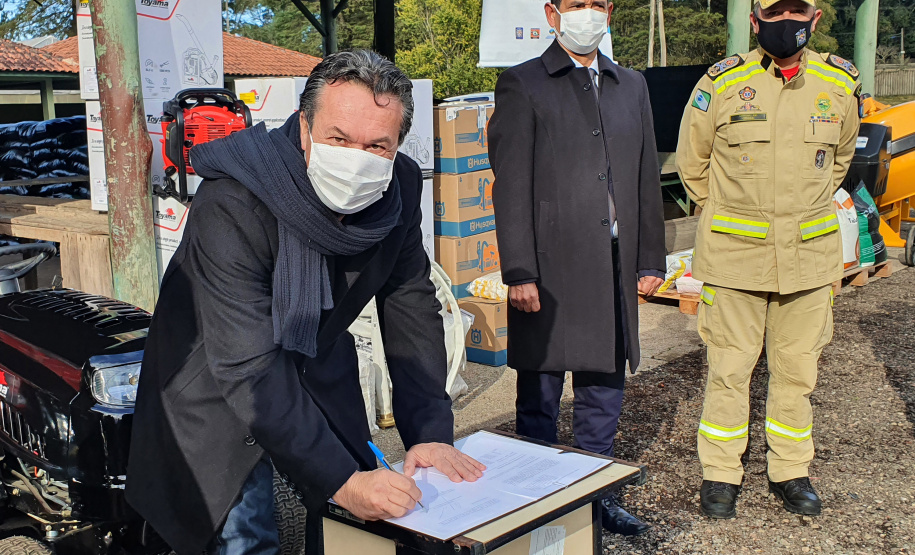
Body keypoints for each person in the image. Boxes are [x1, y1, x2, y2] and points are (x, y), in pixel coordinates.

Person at [125, 50, 485, 555]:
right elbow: (246, 366)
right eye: (338, 138)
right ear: (304, 126)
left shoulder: (399, 187)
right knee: (245, 534)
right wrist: (341, 480)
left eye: (377, 145)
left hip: (316, 360)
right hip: (217, 381)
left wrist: (428, 432)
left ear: (398, 145)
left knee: (349, 523)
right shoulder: (231, 202)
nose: (357, 158)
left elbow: (409, 302)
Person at [488, 0, 666, 537]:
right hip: (548, 267)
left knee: (603, 389)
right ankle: (534, 498)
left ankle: (595, 496)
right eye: (575, 4)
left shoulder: (630, 85)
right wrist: (519, 270)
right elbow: (510, 183)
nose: (586, 13)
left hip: (612, 261)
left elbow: (646, 175)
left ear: (608, 12)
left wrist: (650, 257)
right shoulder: (523, 83)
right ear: (552, 13)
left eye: (596, 4)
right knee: (540, 391)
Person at [676, 0, 860, 520]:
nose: (786, 23)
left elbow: (839, 161)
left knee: (797, 372)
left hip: (808, 259)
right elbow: (693, 165)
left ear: (814, 19)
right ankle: (720, 474)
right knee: (729, 370)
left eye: (796, 11)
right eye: (774, 13)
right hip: (735, 260)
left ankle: (790, 471)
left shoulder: (839, 85)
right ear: (755, 20)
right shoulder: (722, 83)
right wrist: (733, 216)